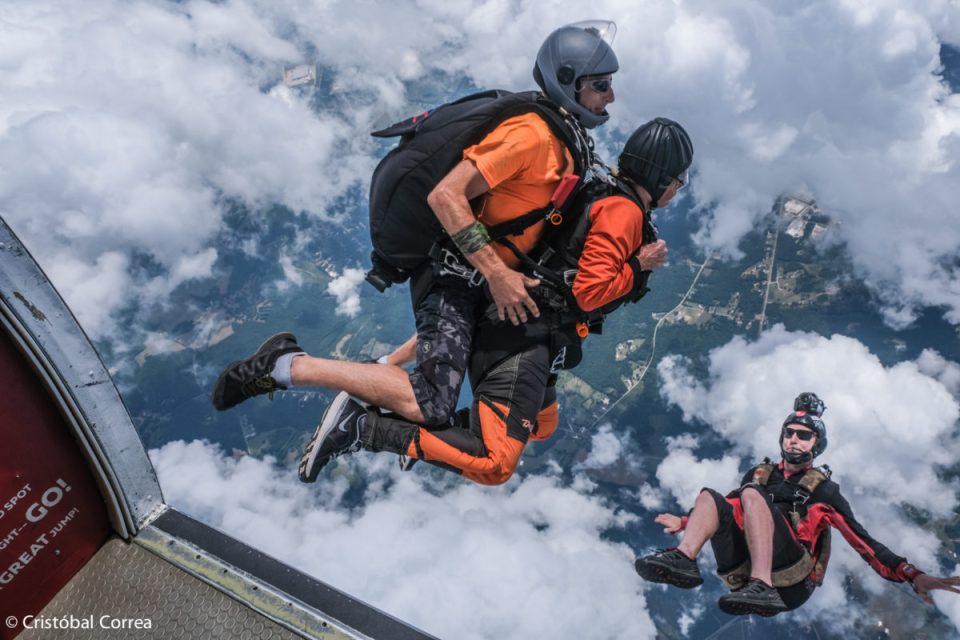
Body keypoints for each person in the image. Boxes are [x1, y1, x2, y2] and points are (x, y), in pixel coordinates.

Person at [212, 21, 619, 433]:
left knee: (526, 404)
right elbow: (445, 196)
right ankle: (285, 365)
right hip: (455, 275)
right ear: (568, 82)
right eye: (600, 84)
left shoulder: (563, 136)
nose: (610, 95)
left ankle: (383, 372)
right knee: (432, 403)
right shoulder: (530, 136)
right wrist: (497, 273)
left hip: (482, 279)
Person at [297, 118, 692, 486]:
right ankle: (362, 428)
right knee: (494, 464)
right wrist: (639, 266)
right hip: (526, 334)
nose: (678, 188)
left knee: (542, 424)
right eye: (678, 179)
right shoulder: (624, 212)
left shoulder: (606, 193)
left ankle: (436, 434)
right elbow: (589, 291)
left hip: (533, 326)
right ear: (659, 177)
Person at [634, 392, 960, 617]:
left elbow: (865, 544)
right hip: (741, 574)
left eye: (804, 435)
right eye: (789, 432)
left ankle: (763, 586)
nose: (794, 439)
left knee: (750, 494)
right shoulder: (760, 475)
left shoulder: (824, 493)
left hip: (788, 584)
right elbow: (728, 508)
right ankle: (683, 559)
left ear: (817, 445)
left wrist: (911, 574)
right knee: (710, 496)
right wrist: (686, 522)